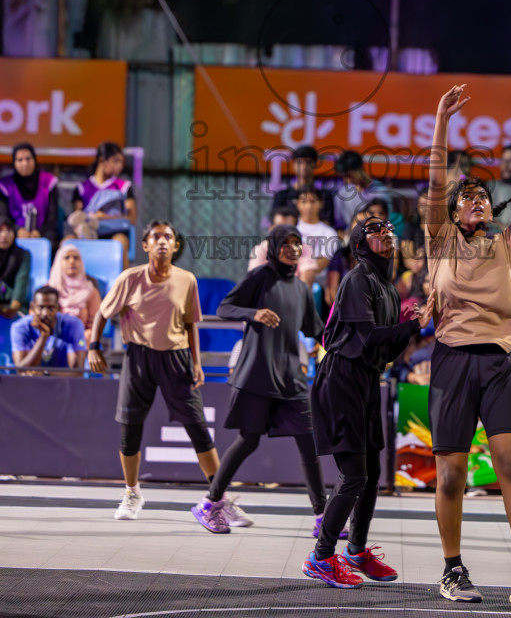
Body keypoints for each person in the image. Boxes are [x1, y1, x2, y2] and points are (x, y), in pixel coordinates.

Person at [425, 85, 511, 609]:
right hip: (453, 360)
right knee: (451, 474)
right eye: (465, 197)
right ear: (453, 212)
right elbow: (435, 184)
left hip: (497, 362)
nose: (474, 200)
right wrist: (441, 120)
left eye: (481, 196)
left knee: (510, 463)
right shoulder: (439, 239)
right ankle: (453, 570)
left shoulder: (504, 242)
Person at [303, 217, 434, 588]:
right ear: (360, 243)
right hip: (341, 378)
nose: (386, 235)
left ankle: (356, 550)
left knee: (373, 474)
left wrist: (411, 323)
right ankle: (321, 557)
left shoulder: (389, 290)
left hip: (367, 381)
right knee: (354, 476)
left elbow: (387, 349)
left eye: (389, 231)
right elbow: (365, 336)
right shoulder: (357, 279)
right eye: (376, 231)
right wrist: (411, 327)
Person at [192, 224, 329, 534]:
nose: (292, 249)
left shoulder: (302, 289)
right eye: (286, 243)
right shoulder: (260, 276)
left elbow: (316, 329)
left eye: (297, 243)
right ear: (274, 247)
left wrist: (348, 342)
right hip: (256, 376)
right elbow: (224, 308)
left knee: (308, 443)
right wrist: (253, 314)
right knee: (248, 440)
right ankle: (209, 504)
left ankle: (322, 517)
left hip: (290, 379)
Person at [87, 220, 219, 520]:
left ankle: (219, 495)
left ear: (175, 246)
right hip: (139, 359)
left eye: (168, 237)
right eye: (155, 236)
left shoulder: (187, 280)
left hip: (176, 359)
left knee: (198, 428)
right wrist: (93, 346)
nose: (162, 241)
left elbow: (190, 324)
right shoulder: (129, 278)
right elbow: (102, 314)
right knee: (129, 430)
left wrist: (196, 363)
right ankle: (132, 492)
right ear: (145, 245)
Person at [70, 142, 137, 268]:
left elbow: (132, 218)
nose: (120, 166)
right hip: (89, 233)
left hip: (114, 233)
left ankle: (123, 284)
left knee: (120, 241)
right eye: (116, 161)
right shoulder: (82, 188)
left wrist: (104, 217)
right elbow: (77, 217)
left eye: (121, 162)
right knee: (68, 241)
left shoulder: (124, 187)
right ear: (102, 161)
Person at [11, 285, 86, 371]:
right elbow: (21, 370)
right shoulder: (19, 327)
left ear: (58, 308)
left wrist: (44, 374)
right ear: (32, 307)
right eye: (40, 307)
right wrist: (43, 337)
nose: (45, 313)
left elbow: (78, 373)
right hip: (31, 383)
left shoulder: (74, 325)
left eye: (51, 308)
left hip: (62, 383)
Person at [0, 143, 59, 250]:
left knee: (52, 240)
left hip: (44, 234)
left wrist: (39, 232)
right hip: (13, 234)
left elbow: (53, 218)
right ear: (14, 163)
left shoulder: (48, 181)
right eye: (20, 160)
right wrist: (17, 230)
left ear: (34, 160)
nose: (25, 163)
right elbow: (3, 217)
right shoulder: (5, 185)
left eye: (28, 159)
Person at [49, 243, 101, 344]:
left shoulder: (91, 291)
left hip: (82, 340)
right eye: (67, 257)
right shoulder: (49, 290)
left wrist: (85, 335)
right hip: (53, 340)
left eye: (76, 258)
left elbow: (96, 323)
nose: (72, 261)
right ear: (59, 262)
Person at [271, 145, 335, 227]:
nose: (304, 167)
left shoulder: (325, 196)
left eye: (308, 162)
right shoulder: (282, 196)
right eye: (300, 162)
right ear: (293, 165)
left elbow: (327, 223)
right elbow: (275, 223)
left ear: (315, 165)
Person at [295, 188, 339, 301]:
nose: (309, 206)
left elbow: (323, 262)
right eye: (304, 201)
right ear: (297, 204)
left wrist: (306, 271)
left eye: (313, 201)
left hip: (318, 281)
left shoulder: (329, 233)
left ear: (321, 203)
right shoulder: (292, 229)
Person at [333, 150, 390, 231]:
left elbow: (386, 222)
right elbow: (339, 225)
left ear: (360, 169)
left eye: (349, 176)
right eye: (343, 177)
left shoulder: (380, 192)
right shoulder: (342, 193)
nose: (346, 181)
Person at [0, 217, 31, 319]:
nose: (4, 235)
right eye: (0, 230)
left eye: (8, 231)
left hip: (14, 304)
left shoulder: (23, 254)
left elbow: (22, 280)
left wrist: (13, 308)